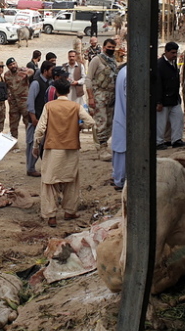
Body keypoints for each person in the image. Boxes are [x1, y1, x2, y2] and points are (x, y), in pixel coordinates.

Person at [33, 79, 95, 227]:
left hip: (52, 148)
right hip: (71, 149)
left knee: (49, 182)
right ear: (68, 91)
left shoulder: (49, 106)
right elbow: (90, 122)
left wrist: (36, 146)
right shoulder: (76, 106)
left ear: (56, 91)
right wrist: (79, 127)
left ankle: (51, 216)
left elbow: (40, 129)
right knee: (71, 181)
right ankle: (69, 211)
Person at [85, 38, 119, 160]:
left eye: (113, 47)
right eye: (108, 47)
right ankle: (101, 148)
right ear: (104, 47)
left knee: (109, 122)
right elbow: (88, 78)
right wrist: (90, 97)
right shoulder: (97, 60)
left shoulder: (114, 61)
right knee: (101, 122)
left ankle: (105, 145)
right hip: (99, 96)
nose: (110, 49)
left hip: (112, 96)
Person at [154, 42, 185, 150]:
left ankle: (176, 140)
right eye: (172, 53)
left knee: (178, 119)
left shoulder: (173, 63)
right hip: (163, 100)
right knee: (161, 123)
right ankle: (158, 142)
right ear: (166, 52)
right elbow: (157, 84)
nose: (174, 55)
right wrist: (158, 101)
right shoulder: (159, 65)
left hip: (174, 98)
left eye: (175, 53)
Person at [26, 61, 55, 177]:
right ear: (45, 70)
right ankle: (30, 168)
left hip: (43, 119)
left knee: (43, 145)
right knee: (33, 143)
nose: (52, 72)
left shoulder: (49, 83)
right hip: (36, 119)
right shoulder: (36, 83)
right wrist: (33, 118)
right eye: (51, 70)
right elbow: (30, 102)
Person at [3, 57, 34, 140]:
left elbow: (32, 72)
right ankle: (14, 143)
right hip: (13, 103)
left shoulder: (23, 72)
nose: (13, 66)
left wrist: (26, 69)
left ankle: (30, 141)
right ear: (8, 66)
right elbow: (7, 87)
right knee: (13, 124)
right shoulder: (7, 75)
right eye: (10, 65)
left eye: (14, 64)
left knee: (28, 122)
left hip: (24, 102)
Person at [110, 63, 127, 191]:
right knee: (122, 151)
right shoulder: (128, 75)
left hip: (121, 117)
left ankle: (117, 177)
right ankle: (120, 180)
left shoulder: (123, 72)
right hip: (125, 118)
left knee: (119, 149)